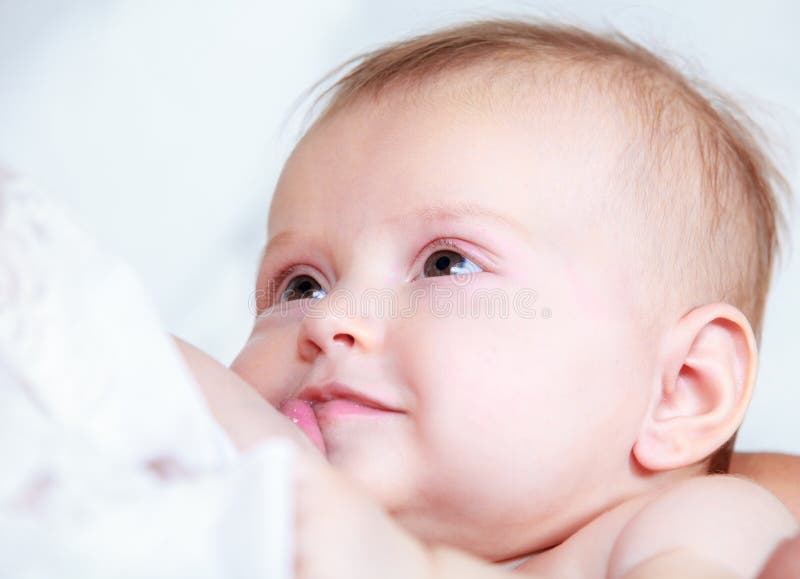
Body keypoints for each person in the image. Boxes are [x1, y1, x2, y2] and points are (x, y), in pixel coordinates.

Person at [184, 19, 800, 578]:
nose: (327, 318)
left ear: (682, 389)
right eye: (300, 284)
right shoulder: (239, 494)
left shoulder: (696, 527)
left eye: (446, 263)